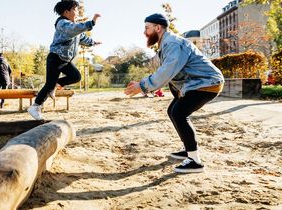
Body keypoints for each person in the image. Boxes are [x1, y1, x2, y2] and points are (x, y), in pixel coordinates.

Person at [124, 13, 224, 173]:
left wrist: (142, 86)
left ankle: (195, 161)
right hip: (197, 83)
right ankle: (188, 149)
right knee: (173, 111)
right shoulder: (166, 44)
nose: (144, 32)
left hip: (207, 82)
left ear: (158, 28)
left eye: (147, 28)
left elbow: (167, 71)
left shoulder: (172, 43)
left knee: (179, 113)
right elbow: (171, 74)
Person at [27, 0, 102, 120]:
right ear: (66, 12)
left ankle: (57, 85)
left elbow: (82, 37)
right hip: (55, 58)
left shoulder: (73, 26)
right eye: (75, 10)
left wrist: (93, 42)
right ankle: (35, 106)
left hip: (65, 60)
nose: (77, 12)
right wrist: (91, 23)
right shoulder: (63, 24)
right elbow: (75, 29)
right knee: (49, 84)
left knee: (76, 76)